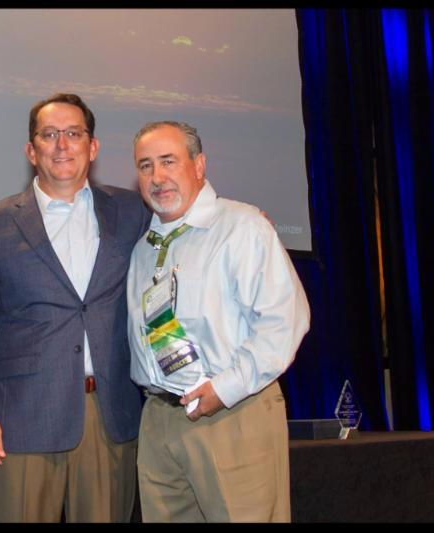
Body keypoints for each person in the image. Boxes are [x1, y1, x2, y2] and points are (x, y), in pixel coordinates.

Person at [0, 93, 151, 522]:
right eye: (49, 135)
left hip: (109, 417)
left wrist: (234, 218)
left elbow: (180, 223)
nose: (62, 145)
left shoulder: (132, 210)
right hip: (20, 421)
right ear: (31, 150)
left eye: (74, 134)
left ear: (92, 147)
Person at [126, 121, 310, 522]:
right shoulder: (144, 248)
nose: (157, 177)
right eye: (145, 165)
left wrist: (225, 389)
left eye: (168, 161)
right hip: (159, 420)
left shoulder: (242, 227)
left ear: (199, 165)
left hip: (232, 414)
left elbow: (284, 321)